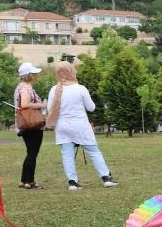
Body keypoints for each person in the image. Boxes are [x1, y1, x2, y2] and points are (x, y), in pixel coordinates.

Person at [46, 61, 118, 190]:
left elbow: (49, 108)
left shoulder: (54, 90)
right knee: (94, 151)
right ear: (71, 72)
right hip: (80, 125)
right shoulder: (80, 88)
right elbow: (91, 108)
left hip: (62, 125)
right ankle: (106, 177)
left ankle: (72, 182)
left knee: (67, 154)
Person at [14, 62, 46, 189]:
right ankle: (29, 181)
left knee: (30, 152)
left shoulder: (20, 86)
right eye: (35, 73)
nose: (37, 75)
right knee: (33, 153)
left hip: (24, 124)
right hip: (32, 124)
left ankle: (23, 180)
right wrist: (42, 105)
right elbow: (26, 104)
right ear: (30, 75)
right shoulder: (26, 88)